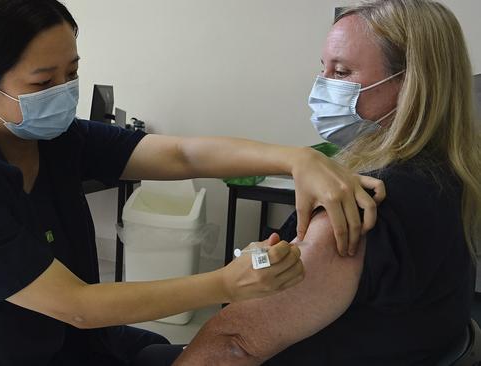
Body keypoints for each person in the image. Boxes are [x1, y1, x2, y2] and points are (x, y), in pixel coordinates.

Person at [0, 0, 385, 365]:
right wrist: (226, 284)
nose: (63, 93)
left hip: (67, 342)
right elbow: (78, 306)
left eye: (72, 73)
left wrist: (294, 159)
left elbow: (180, 153)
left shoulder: (55, 138)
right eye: (42, 83)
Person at [173, 0, 481, 365]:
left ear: (410, 83)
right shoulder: (447, 174)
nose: (322, 87)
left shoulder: (364, 204)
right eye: (324, 69)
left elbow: (234, 343)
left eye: (342, 71)